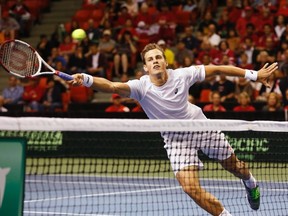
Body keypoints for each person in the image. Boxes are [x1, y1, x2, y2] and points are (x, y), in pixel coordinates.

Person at [70, 43, 278, 216]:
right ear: (145, 68)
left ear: (166, 61)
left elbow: (217, 69)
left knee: (235, 167)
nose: (155, 61)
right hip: (175, 140)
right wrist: (86, 79)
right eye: (150, 59)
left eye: (158, 57)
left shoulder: (182, 75)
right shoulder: (141, 87)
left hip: (200, 127)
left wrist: (254, 75)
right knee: (189, 188)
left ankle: (251, 183)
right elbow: (112, 87)